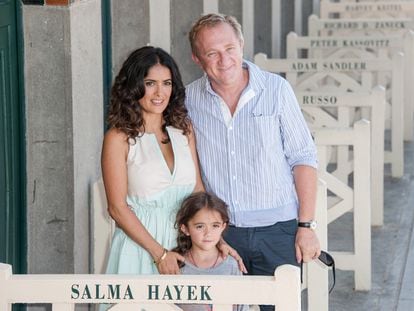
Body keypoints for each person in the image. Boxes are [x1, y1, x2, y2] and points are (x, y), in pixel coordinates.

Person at [185, 14, 320, 311]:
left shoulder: (276, 90)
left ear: (242, 45)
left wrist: (306, 225)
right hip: (219, 233)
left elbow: (303, 158)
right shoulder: (189, 100)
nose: (224, 60)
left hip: (278, 231)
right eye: (212, 53)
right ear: (197, 58)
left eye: (230, 48)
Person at [101, 46, 204, 278]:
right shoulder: (118, 138)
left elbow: (197, 190)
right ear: (133, 86)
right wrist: (160, 254)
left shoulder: (183, 129)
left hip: (184, 247)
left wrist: (213, 239)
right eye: (150, 83)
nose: (160, 92)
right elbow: (117, 209)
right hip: (140, 250)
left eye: (167, 83)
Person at [173, 192, 249, 311]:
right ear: (185, 229)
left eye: (215, 226)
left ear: (223, 227)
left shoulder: (231, 265)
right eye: (200, 226)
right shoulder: (177, 266)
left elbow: (241, 307)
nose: (208, 233)